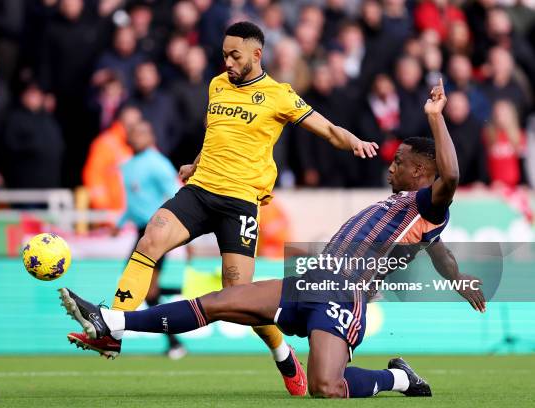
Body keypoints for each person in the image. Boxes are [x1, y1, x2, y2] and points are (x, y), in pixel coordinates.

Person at [59, 79, 487, 399]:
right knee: (223, 301)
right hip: (314, 279)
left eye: (400, 164)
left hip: (343, 294)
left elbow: (450, 176)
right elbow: (439, 250)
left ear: (422, 173)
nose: (391, 169)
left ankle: (399, 379)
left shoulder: (431, 202)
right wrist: (458, 276)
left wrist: (435, 117)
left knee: (326, 387)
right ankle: (111, 321)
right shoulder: (412, 210)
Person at [67, 21, 378, 397]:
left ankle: (284, 355)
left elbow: (327, 130)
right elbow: (217, 133)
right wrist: (196, 163)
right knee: (150, 240)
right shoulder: (216, 86)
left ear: (257, 55)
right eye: (224, 55)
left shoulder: (279, 95)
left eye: (235, 55)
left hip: (240, 204)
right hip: (199, 192)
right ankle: (113, 331)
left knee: (238, 296)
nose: (227, 62)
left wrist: (355, 141)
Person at [74, 120, 186, 359]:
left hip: (157, 231)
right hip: (140, 231)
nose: (136, 136)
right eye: (133, 132)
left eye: (142, 132)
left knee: (136, 284)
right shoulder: (127, 165)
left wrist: (178, 227)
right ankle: (174, 332)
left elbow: (178, 195)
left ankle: (113, 336)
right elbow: (134, 204)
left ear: (151, 136)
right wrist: (120, 222)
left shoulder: (157, 163)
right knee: (146, 290)